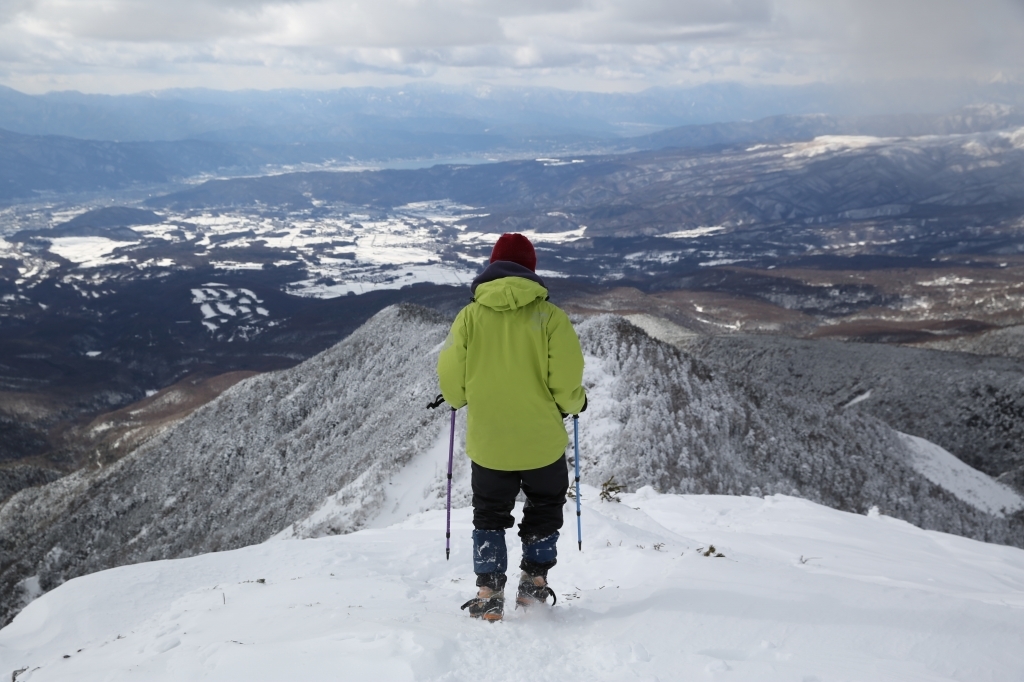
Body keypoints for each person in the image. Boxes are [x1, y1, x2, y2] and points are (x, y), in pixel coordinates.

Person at [437, 232, 587, 622]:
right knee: (544, 509)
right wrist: (576, 404)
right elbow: (566, 379)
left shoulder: (470, 316)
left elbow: (452, 376)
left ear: (492, 267)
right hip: (541, 443)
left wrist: (456, 399)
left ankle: (488, 593)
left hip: (490, 444)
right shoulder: (550, 317)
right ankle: (533, 585)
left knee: (489, 513)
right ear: (531, 270)